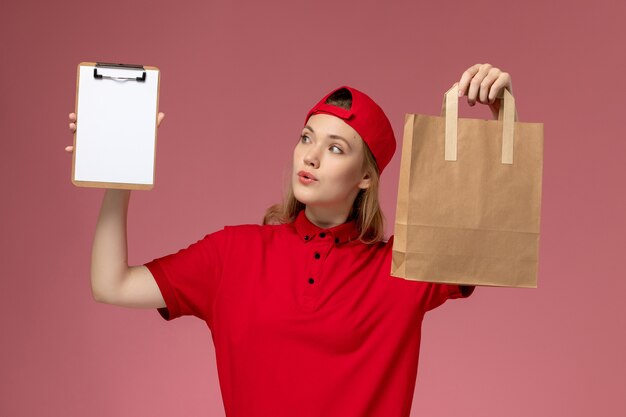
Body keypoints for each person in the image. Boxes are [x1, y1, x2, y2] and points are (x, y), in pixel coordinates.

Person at [66, 63, 513, 417]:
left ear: (364, 178)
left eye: (336, 148)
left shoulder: (403, 267)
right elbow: (112, 285)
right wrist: (118, 174)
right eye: (306, 138)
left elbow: (492, 242)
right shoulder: (232, 254)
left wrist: (494, 127)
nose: (312, 156)